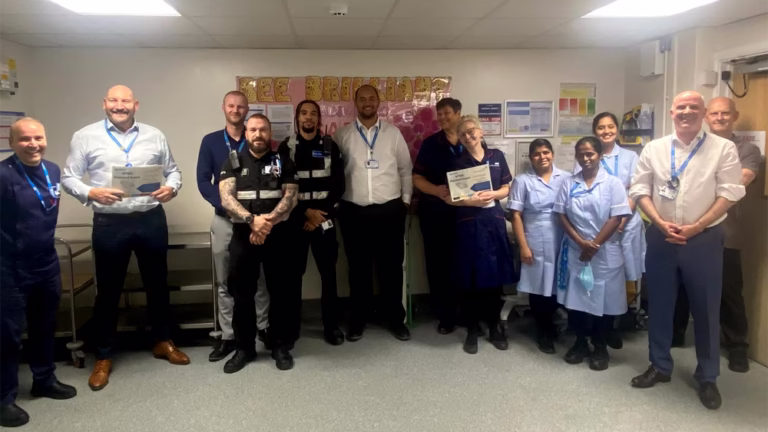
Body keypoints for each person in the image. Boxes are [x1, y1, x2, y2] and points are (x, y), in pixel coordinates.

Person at [62, 85, 189, 392]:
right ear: (105, 103)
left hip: (150, 219)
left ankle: (162, 341)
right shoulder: (85, 136)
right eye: (114, 101)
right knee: (108, 291)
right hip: (110, 222)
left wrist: (172, 188)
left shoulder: (155, 135)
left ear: (136, 105)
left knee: (158, 284)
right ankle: (103, 356)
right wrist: (91, 192)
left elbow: (174, 171)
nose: (120, 106)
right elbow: (68, 177)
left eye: (126, 101)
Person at [629, 91, 745, 410]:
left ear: (705, 113)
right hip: (661, 236)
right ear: (672, 112)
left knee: (706, 308)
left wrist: (696, 226)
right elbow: (640, 189)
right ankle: (660, 366)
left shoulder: (723, 149)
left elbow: (730, 192)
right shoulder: (654, 148)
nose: (687, 111)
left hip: (704, 238)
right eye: (682, 107)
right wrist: (660, 222)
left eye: (694, 107)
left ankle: (708, 377)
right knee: (660, 304)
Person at [671, 97, 760, 374]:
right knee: (682, 285)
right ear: (706, 117)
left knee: (729, 290)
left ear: (735, 115)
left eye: (725, 113)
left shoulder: (748, 149)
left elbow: (737, 183)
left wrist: (702, 196)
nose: (719, 118)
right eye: (715, 114)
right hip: (685, 229)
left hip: (725, 231)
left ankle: (736, 346)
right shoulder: (696, 146)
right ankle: (676, 334)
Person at [0, 118, 77, 428]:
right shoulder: (3, 176)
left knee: (45, 325)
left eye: (38, 138)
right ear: (12, 141)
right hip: (9, 266)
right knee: (8, 335)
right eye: (25, 139)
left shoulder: (53, 170)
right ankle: (3, 398)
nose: (33, 144)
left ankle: (44, 379)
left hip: (45, 261)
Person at [219, 114, 300, 373]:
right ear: (246, 133)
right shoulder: (233, 161)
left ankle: (279, 345)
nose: (258, 134)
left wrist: (267, 223)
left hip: (278, 235)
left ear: (269, 133)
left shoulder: (282, 161)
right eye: (253, 129)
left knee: (281, 292)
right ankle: (244, 348)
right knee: (242, 294)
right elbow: (226, 198)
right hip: (244, 235)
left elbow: (291, 197)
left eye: (262, 129)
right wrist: (252, 221)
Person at [196, 90, 272, 362]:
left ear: (247, 109)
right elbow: (204, 181)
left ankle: (262, 328)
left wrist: (258, 218)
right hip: (225, 222)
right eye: (231, 105)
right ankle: (228, 335)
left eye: (241, 106)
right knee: (225, 281)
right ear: (224, 108)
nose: (236, 110)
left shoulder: (259, 139)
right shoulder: (212, 142)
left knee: (260, 279)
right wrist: (227, 204)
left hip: (258, 225)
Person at [334, 84, 413, 342]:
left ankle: (394, 319)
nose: (367, 102)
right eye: (362, 99)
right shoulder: (342, 135)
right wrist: (336, 204)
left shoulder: (393, 133)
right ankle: (358, 319)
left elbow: (405, 169)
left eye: (371, 98)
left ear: (378, 102)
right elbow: (334, 173)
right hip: (353, 211)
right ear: (355, 103)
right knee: (358, 269)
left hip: (389, 210)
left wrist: (405, 200)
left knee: (391, 268)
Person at [554, 136, 630, 371]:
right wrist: (580, 242)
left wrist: (594, 245)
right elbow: (561, 214)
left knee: (604, 301)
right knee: (577, 300)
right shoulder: (569, 183)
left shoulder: (613, 183)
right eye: (581, 154)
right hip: (577, 249)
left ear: (599, 155)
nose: (585, 158)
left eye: (590, 154)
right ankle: (579, 343)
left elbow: (616, 217)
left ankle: (599, 345)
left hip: (604, 251)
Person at [446, 115, 516, 354]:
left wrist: (495, 195)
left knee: (494, 279)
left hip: (493, 223)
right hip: (469, 224)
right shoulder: (458, 163)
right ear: (460, 139)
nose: (468, 136)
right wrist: (471, 201)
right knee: (470, 279)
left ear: (481, 132)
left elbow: (507, 187)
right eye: (463, 134)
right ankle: (473, 328)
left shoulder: (497, 157)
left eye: (471, 131)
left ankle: (495, 325)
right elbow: (452, 199)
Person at [279, 100, 345, 345]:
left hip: (324, 221)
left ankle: (332, 328)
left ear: (319, 119)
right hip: (296, 222)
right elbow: (282, 189)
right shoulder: (287, 147)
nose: (309, 118)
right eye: (304, 113)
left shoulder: (330, 146)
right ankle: (292, 329)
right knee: (293, 277)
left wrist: (319, 216)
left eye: (313, 114)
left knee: (328, 275)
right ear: (297, 118)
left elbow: (339, 187)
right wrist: (305, 213)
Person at [576, 112, 644, 350]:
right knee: (594, 280)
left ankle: (611, 327)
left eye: (610, 126)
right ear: (595, 131)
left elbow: (636, 187)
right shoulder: (586, 153)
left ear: (617, 129)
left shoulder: (629, 156)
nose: (606, 131)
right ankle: (593, 331)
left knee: (617, 279)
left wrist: (622, 218)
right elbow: (578, 186)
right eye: (601, 127)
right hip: (594, 227)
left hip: (625, 223)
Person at [508, 139, 569, 354]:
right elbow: (516, 215)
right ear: (530, 157)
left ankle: (553, 323)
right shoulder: (522, 181)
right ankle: (542, 330)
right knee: (538, 287)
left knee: (557, 284)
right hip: (534, 237)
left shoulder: (567, 178)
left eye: (546, 152)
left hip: (562, 236)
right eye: (536, 154)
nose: (542, 157)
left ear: (552, 154)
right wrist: (523, 246)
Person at [412, 97, 463, 334]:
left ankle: (465, 312)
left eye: (447, 113)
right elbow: (417, 177)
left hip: (466, 214)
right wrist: (436, 190)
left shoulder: (471, 140)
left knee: (463, 262)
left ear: (459, 113)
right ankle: (445, 315)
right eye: (439, 114)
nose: (442, 118)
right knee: (438, 264)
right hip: (435, 212)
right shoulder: (431, 144)